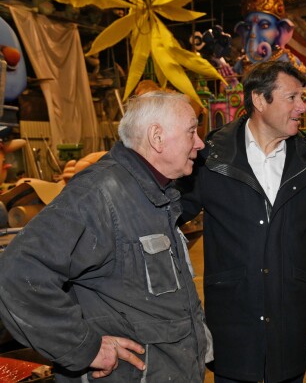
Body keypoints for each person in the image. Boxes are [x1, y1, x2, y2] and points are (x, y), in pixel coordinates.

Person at [0, 91, 209, 382]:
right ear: (157, 137)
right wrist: (86, 348)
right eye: (191, 131)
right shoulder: (99, 195)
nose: (200, 142)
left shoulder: (154, 194)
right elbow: (17, 275)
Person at [179, 60, 306, 383]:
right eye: (292, 98)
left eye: (302, 98)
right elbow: (169, 212)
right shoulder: (212, 158)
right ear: (259, 100)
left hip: (291, 315)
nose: (302, 108)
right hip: (233, 317)